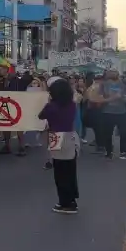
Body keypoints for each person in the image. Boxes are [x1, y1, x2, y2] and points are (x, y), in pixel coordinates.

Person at [38, 77, 80, 214]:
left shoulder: (51, 106)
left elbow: (41, 116)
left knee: (60, 172)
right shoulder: (72, 104)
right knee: (70, 170)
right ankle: (72, 199)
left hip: (57, 137)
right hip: (71, 136)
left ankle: (65, 203)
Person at [98, 69, 126, 160]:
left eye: (114, 71)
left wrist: (122, 98)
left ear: (118, 73)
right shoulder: (103, 85)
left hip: (121, 112)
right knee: (107, 133)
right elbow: (100, 99)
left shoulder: (123, 85)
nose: (112, 73)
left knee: (124, 133)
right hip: (107, 112)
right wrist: (113, 98)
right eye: (110, 71)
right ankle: (109, 151)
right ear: (108, 74)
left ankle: (123, 152)